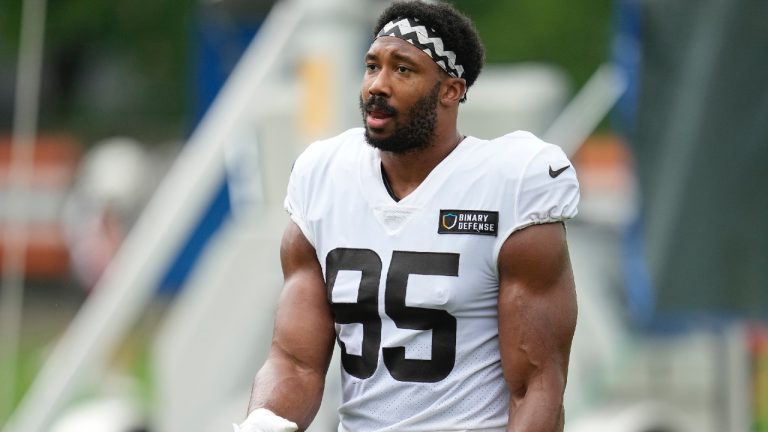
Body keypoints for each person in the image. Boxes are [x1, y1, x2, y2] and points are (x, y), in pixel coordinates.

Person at [235, 1, 580, 431]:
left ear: (451, 90)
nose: (378, 85)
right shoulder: (323, 175)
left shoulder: (511, 182)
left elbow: (536, 387)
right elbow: (295, 361)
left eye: (403, 70)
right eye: (372, 66)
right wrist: (264, 423)